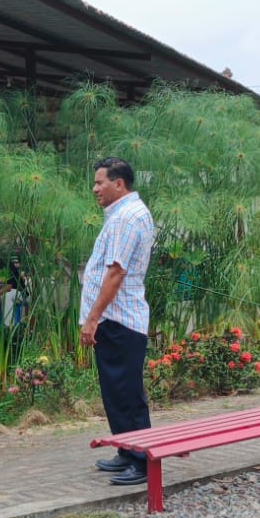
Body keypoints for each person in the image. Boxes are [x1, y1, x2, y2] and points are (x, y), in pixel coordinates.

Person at [80, 157, 156, 486]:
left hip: (119, 320)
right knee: (116, 391)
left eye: (100, 182)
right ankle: (127, 450)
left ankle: (142, 462)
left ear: (119, 184)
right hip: (116, 320)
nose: (94, 189)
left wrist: (92, 318)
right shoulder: (124, 214)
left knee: (126, 393)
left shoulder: (126, 218)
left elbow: (116, 272)